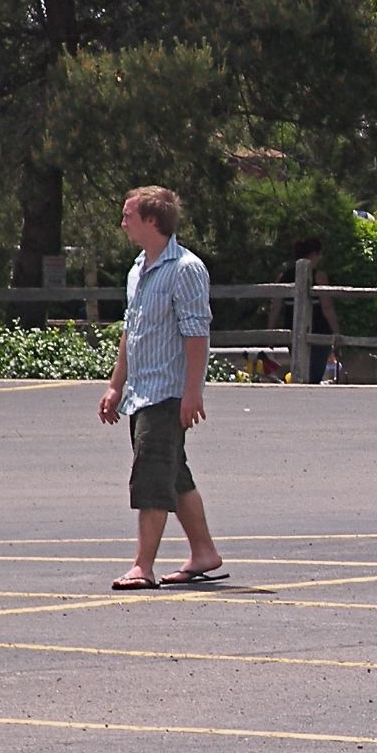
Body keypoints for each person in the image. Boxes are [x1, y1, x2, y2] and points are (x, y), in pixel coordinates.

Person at [96, 186, 227, 591]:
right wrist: (116, 386)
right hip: (141, 391)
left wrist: (192, 392)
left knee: (151, 477)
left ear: (152, 221)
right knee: (174, 475)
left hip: (167, 394)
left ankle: (143, 566)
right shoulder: (138, 269)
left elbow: (196, 334)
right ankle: (203, 552)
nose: (122, 223)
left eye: (128, 215)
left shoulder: (186, 269)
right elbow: (131, 330)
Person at [267, 237, 342, 384]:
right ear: (313, 254)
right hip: (318, 331)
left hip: (292, 329)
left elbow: (275, 307)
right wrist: (336, 331)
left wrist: (270, 332)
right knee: (313, 374)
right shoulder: (319, 276)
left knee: (300, 369)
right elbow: (327, 307)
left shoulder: (284, 277)